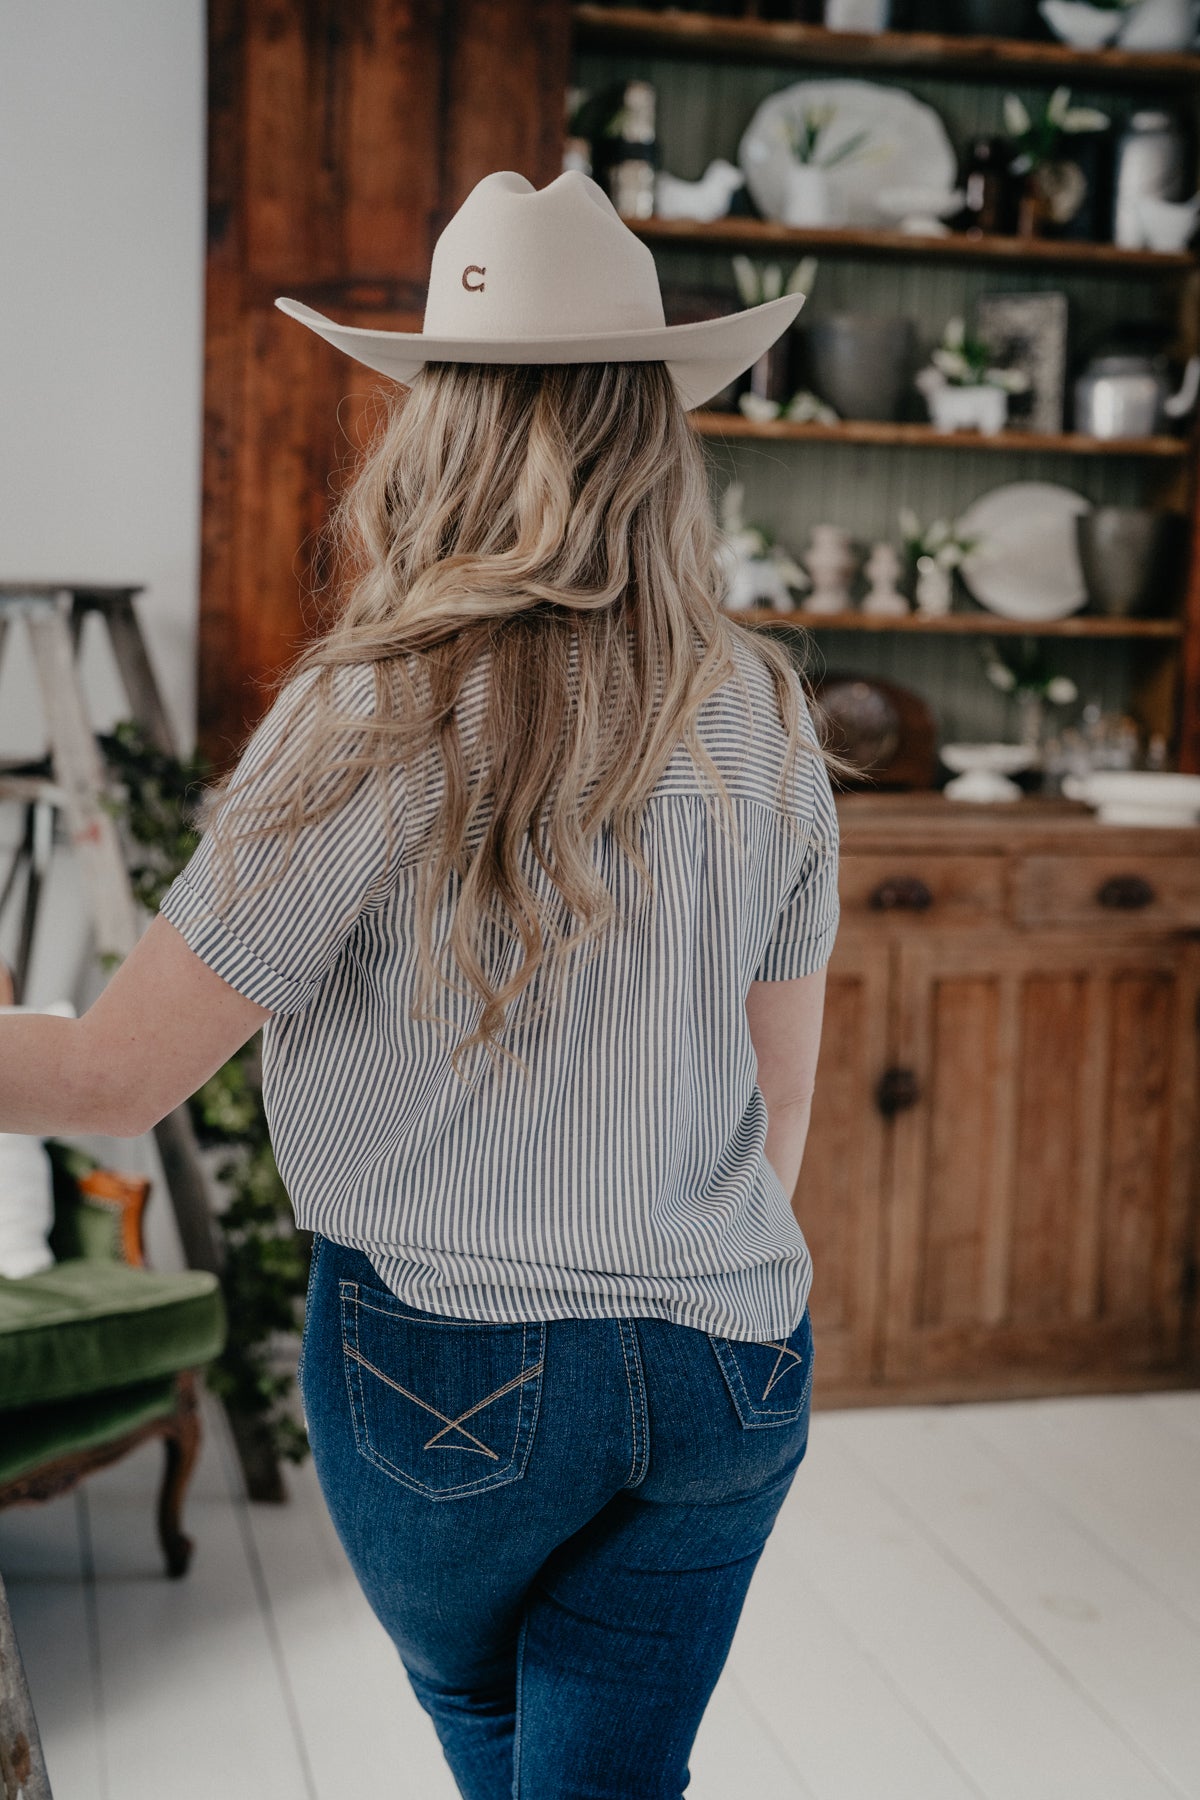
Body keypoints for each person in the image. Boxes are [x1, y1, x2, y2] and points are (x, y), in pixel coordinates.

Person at [0, 170, 840, 1799]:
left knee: (494, 1736)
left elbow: (110, 1080)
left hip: (452, 1368)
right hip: (728, 1354)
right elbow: (781, 1092)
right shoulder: (767, 715)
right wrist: (682, 1284)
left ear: (438, 430)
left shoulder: (371, 713)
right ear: (655, 431)